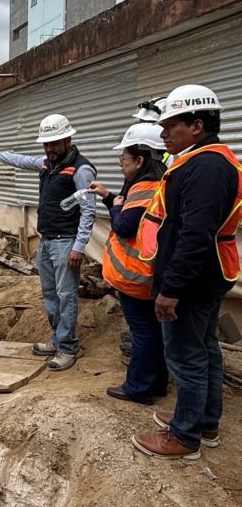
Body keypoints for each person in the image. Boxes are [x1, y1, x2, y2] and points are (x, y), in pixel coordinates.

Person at [132, 84, 242, 460]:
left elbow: (195, 235)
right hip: (208, 275)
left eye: (170, 126)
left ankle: (185, 437)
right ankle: (204, 422)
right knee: (205, 349)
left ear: (196, 126)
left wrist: (171, 288)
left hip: (193, 280)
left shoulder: (206, 168)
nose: (163, 134)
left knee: (186, 356)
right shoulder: (208, 161)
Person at [0, 114, 97, 371]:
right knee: (50, 294)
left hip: (66, 242)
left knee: (66, 295)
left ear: (67, 139)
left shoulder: (81, 169)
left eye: (54, 143)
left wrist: (79, 246)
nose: (49, 149)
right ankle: (58, 338)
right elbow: (21, 160)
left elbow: (88, 211)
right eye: (46, 144)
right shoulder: (47, 164)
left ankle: (68, 347)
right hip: (47, 240)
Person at [88, 123, 168, 405]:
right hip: (148, 273)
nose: (121, 165)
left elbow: (124, 225)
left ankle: (138, 388)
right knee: (154, 330)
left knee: (143, 332)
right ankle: (157, 382)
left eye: (123, 160)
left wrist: (117, 205)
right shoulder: (158, 181)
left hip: (136, 275)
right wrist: (110, 197)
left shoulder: (144, 187)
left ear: (140, 160)